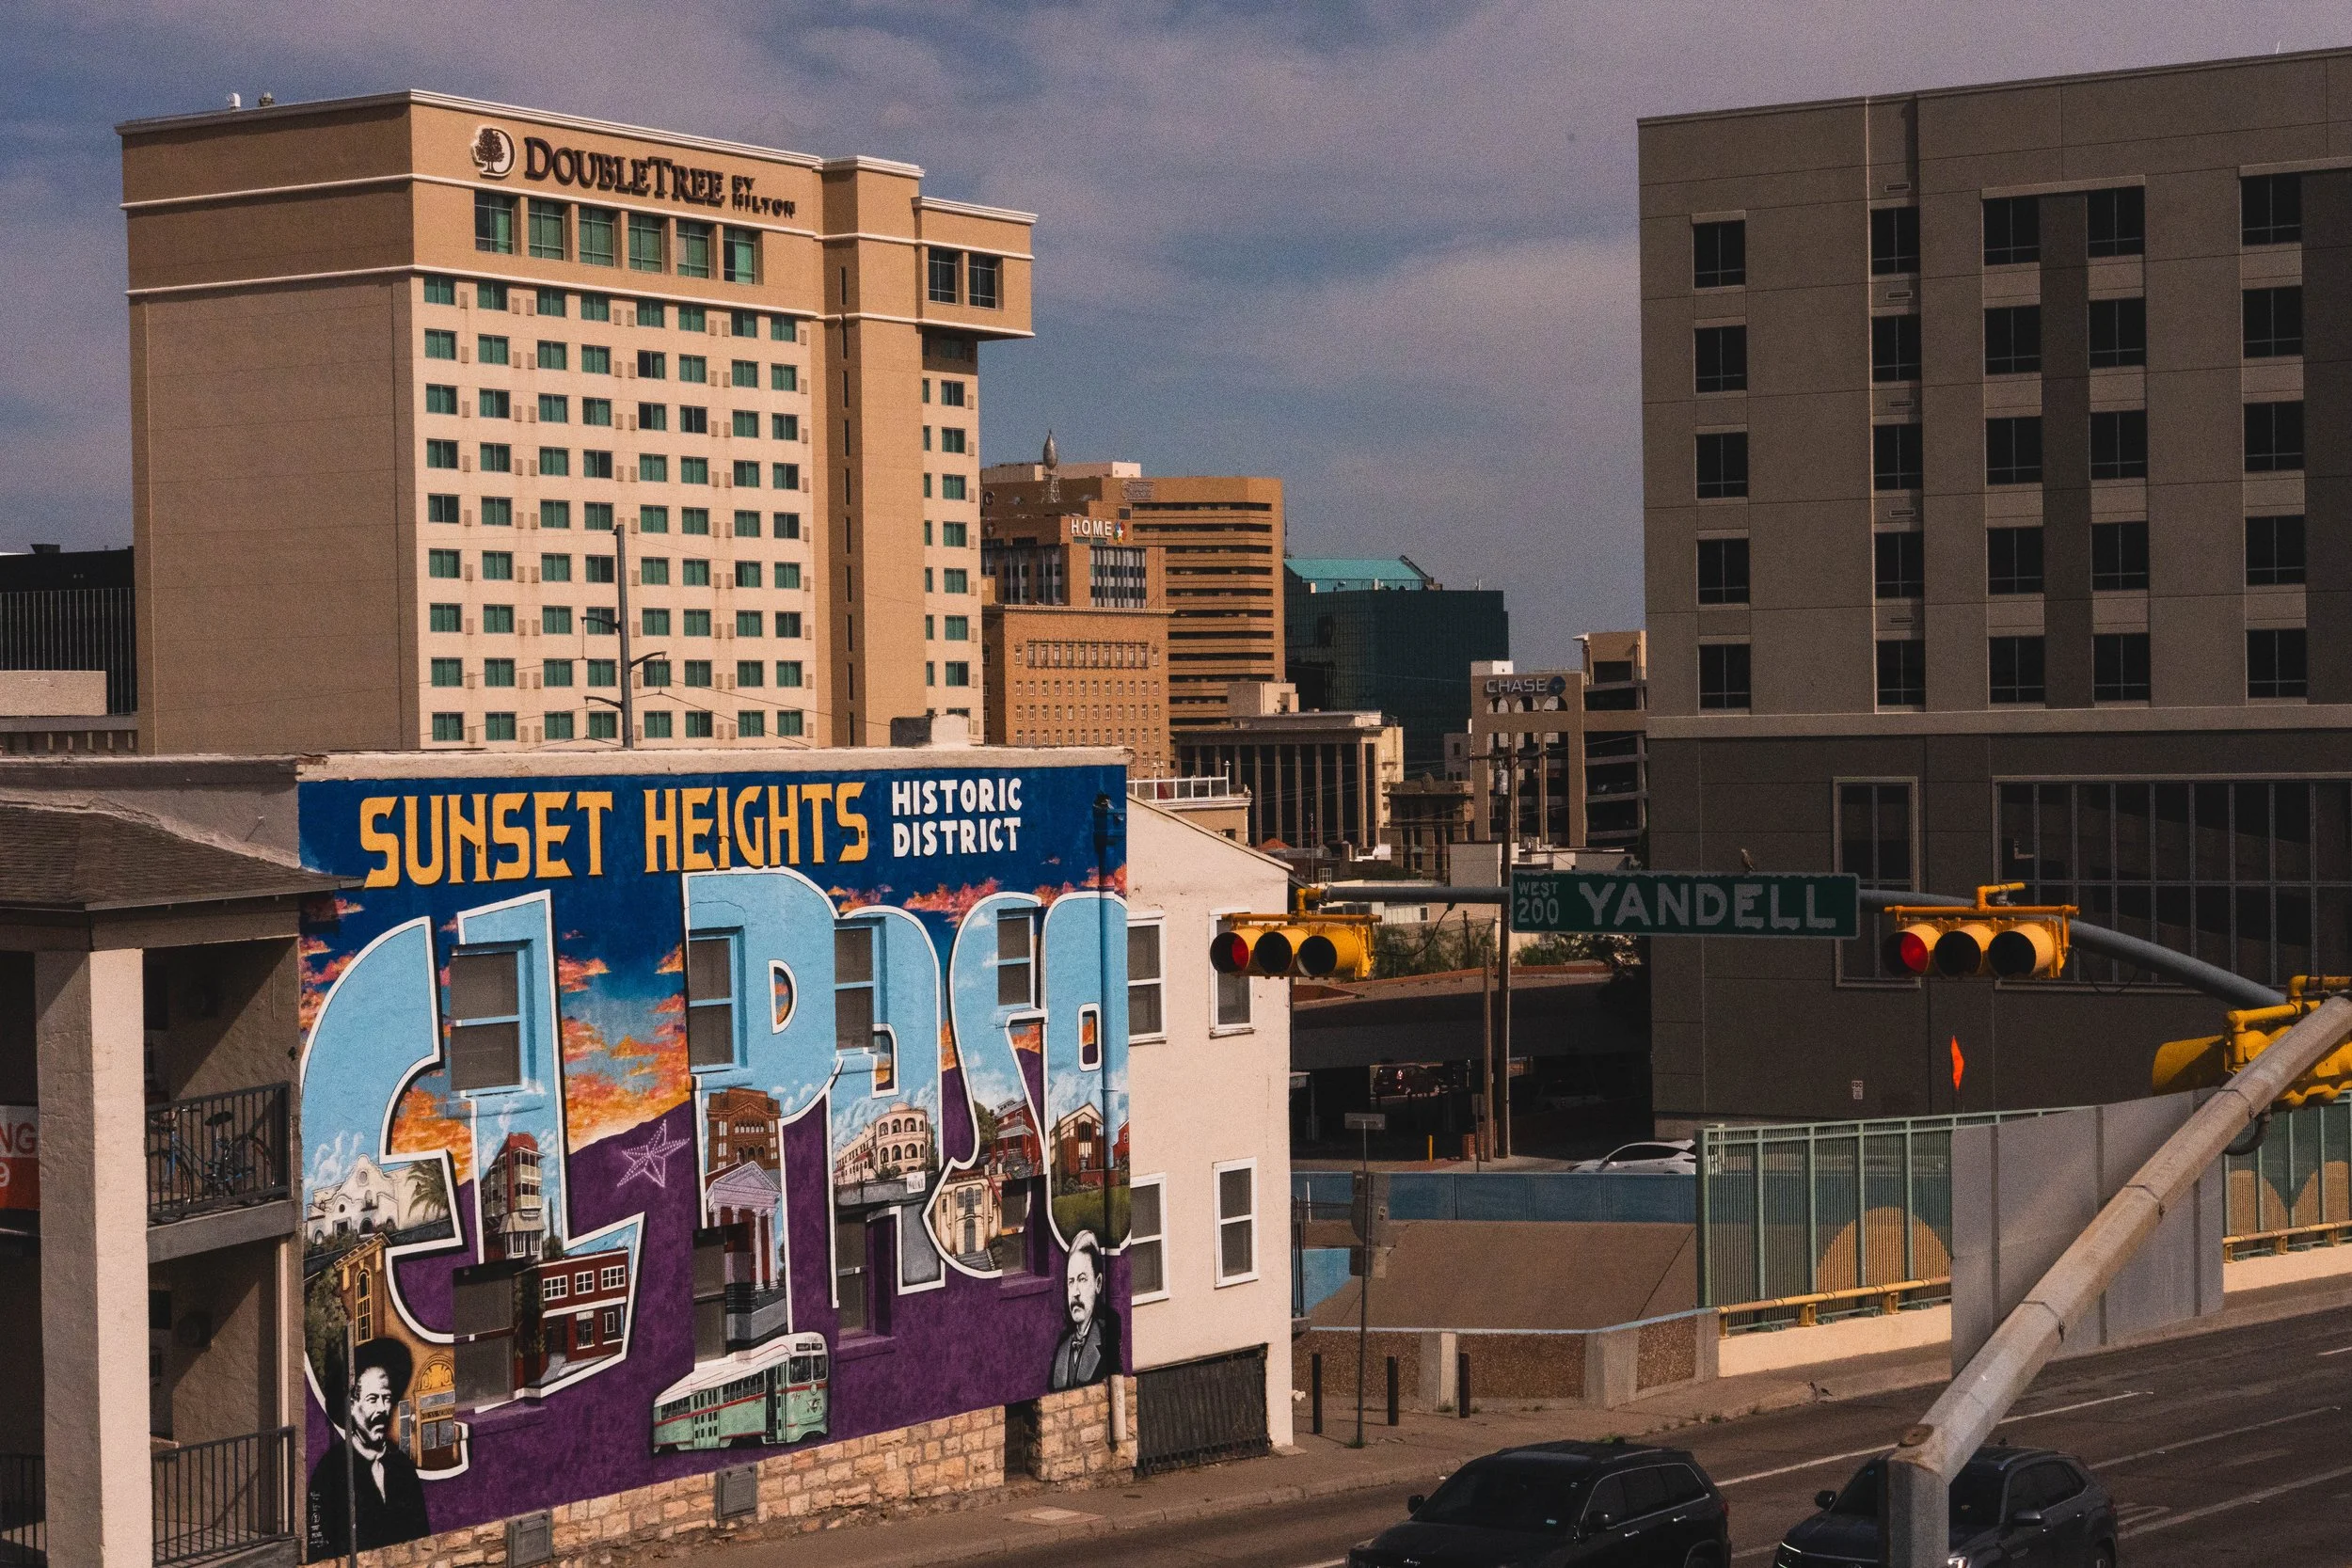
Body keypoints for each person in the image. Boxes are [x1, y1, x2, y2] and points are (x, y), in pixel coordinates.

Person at [306, 1337, 431, 1560]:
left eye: (387, 1398)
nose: (383, 1408)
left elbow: (422, 1537)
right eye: (373, 1399)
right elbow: (320, 1543)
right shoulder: (329, 1472)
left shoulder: (402, 1467)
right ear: (351, 1405)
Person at [1048, 1229, 1121, 1390]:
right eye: (1070, 1281)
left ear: (1098, 1283)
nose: (1075, 1292)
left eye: (1082, 1279)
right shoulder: (1062, 1346)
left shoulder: (1110, 1332)